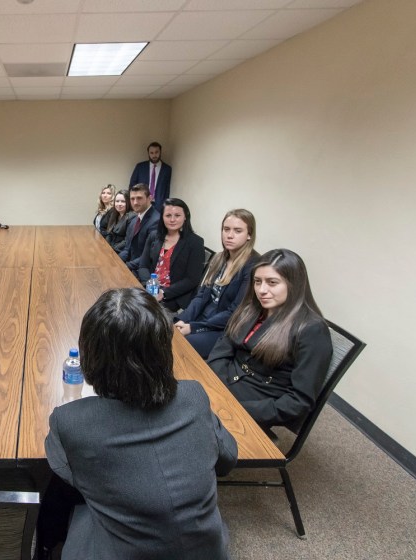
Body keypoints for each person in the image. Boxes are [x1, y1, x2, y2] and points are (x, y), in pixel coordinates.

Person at [41, 288, 237, 560]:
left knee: (60, 498)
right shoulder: (194, 395)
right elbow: (227, 459)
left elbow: (68, 475)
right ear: (163, 350)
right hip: (207, 551)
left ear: (90, 354)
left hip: (121, 552)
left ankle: (44, 546)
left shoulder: (70, 420)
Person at [208, 249, 333, 431]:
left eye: (272, 283)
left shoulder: (312, 329)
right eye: (257, 282)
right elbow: (223, 347)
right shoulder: (252, 308)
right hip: (226, 381)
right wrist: (216, 384)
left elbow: (298, 402)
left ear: (294, 285)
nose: (261, 290)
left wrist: (236, 408)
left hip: (257, 403)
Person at [175, 209, 259, 358]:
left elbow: (234, 312)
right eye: (226, 229)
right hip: (202, 318)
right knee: (165, 329)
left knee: (182, 345)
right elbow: (200, 297)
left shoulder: (253, 266)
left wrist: (193, 327)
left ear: (249, 235)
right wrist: (181, 320)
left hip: (223, 329)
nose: (230, 235)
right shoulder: (220, 258)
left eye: (238, 231)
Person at [138, 198, 204, 312]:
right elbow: (143, 265)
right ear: (162, 217)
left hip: (173, 296)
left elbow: (192, 279)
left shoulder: (195, 242)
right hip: (150, 288)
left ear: (185, 217)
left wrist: (163, 293)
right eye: (168, 215)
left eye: (177, 215)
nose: (172, 219)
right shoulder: (154, 236)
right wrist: (150, 285)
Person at [118, 183, 159, 271]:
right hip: (131, 266)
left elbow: (149, 255)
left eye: (139, 198)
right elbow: (127, 248)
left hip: (144, 271)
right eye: (132, 199)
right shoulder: (134, 220)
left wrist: (126, 267)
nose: (135, 202)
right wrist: (116, 261)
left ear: (150, 198)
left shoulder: (156, 221)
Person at [129, 141, 171, 207]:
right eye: (151, 153)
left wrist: (165, 205)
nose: (154, 155)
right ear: (148, 153)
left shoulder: (167, 169)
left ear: (160, 152)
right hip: (141, 204)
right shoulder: (140, 167)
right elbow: (132, 185)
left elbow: (167, 190)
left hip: (159, 206)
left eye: (156, 152)